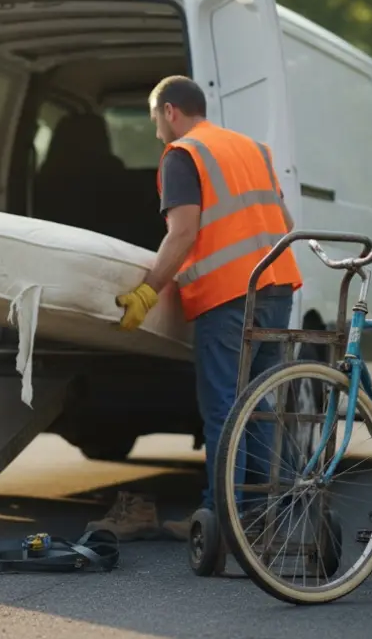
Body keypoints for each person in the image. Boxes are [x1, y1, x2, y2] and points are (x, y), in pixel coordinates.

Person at [86, 75, 303, 543]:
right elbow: (286, 222)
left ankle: (221, 518)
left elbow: (183, 231)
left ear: (169, 112)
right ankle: (261, 516)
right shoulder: (252, 150)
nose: (156, 132)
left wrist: (148, 290)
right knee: (260, 404)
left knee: (225, 407)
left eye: (154, 120)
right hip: (278, 286)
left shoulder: (183, 155)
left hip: (229, 294)